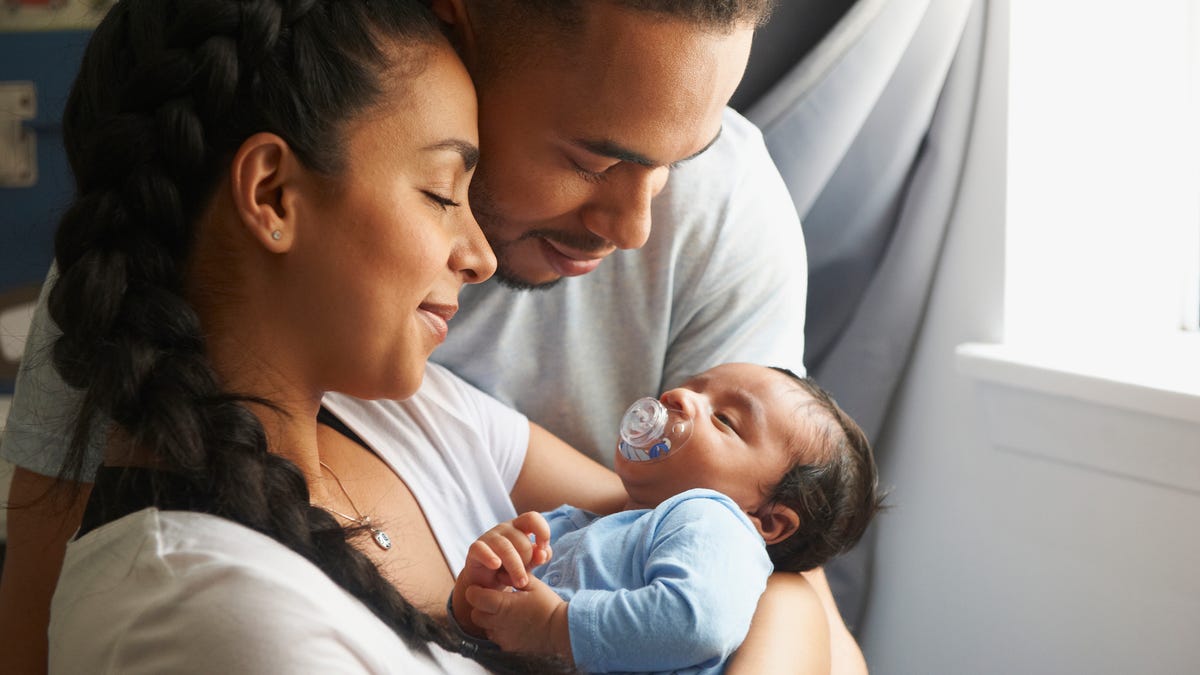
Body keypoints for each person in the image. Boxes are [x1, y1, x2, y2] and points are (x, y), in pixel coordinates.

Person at [1, 1, 867, 672]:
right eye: (591, 161)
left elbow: (767, 554)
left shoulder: (424, 420)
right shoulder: (161, 271)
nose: (639, 224)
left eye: (679, 162)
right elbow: (43, 631)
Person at [19, 0, 587, 672]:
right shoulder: (207, 613)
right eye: (440, 192)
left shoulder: (406, 420)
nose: (480, 255)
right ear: (274, 195)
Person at [451, 364, 883, 673]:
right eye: (695, 386)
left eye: (724, 419)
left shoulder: (715, 521)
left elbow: (695, 623)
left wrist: (554, 627)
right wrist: (480, 593)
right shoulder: (582, 523)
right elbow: (494, 631)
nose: (679, 397)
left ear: (766, 520)